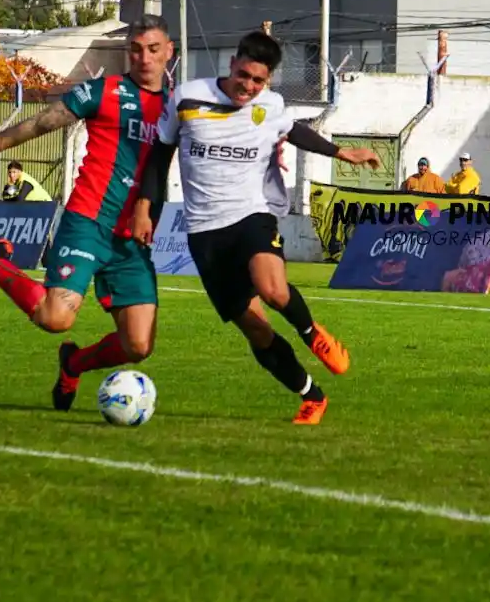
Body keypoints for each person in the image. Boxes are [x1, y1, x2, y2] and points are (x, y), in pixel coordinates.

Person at [130, 31, 380, 425]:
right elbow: (161, 155)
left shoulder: (271, 105)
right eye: (244, 75)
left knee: (272, 288)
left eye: (258, 81)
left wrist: (340, 151)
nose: (248, 86)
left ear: (269, 82)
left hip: (251, 215)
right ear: (232, 64)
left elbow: (292, 129)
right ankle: (311, 396)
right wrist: (145, 208)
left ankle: (312, 332)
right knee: (256, 330)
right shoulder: (188, 97)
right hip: (203, 232)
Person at [0, 14, 174, 412]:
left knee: (138, 345)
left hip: (134, 236)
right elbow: (39, 124)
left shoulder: (179, 108)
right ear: (126, 52)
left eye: (153, 49)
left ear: (169, 52)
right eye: (136, 49)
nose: (144, 58)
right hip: (88, 221)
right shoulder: (103, 92)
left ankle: (74, 364)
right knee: (55, 319)